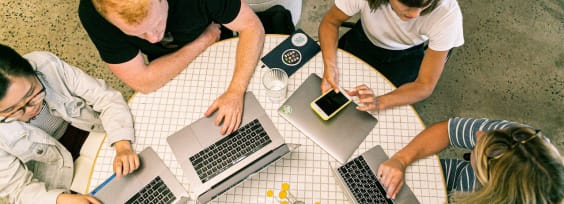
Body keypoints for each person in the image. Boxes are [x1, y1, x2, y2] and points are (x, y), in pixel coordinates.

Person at [79, 0, 265, 135]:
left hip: (222, 44)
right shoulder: (93, 13)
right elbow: (143, 82)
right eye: (139, 34)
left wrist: (235, 90)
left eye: (157, 23)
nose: (154, 39)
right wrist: (203, 41)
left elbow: (251, 26)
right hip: (180, 59)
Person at [0, 44, 140, 204]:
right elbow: (17, 189)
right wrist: (60, 199)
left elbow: (106, 98)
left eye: (32, 95)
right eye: (12, 111)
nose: (31, 110)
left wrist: (122, 143)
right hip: (54, 178)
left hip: (90, 131)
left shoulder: (45, 64)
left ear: (32, 70)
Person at [376, 117, 564, 203]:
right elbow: (447, 130)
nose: (479, 134)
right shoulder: (518, 139)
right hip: (450, 177)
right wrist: (401, 160)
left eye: (480, 146)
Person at [319, 0, 464, 111]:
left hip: (405, 57)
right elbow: (330, 22)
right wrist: (330, 65)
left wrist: (380, 102)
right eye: (405, 3)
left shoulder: (447, 13)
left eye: (425, 4)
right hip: (361, 40)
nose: (415, 14)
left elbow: (425, 85)